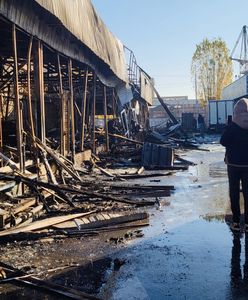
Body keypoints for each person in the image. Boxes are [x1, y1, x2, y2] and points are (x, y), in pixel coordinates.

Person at [220, 98, 248, 232]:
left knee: (234, 192)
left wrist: (229, 126)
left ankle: (236, 222)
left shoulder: (233, 127)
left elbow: (223, 141)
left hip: (233, 165)